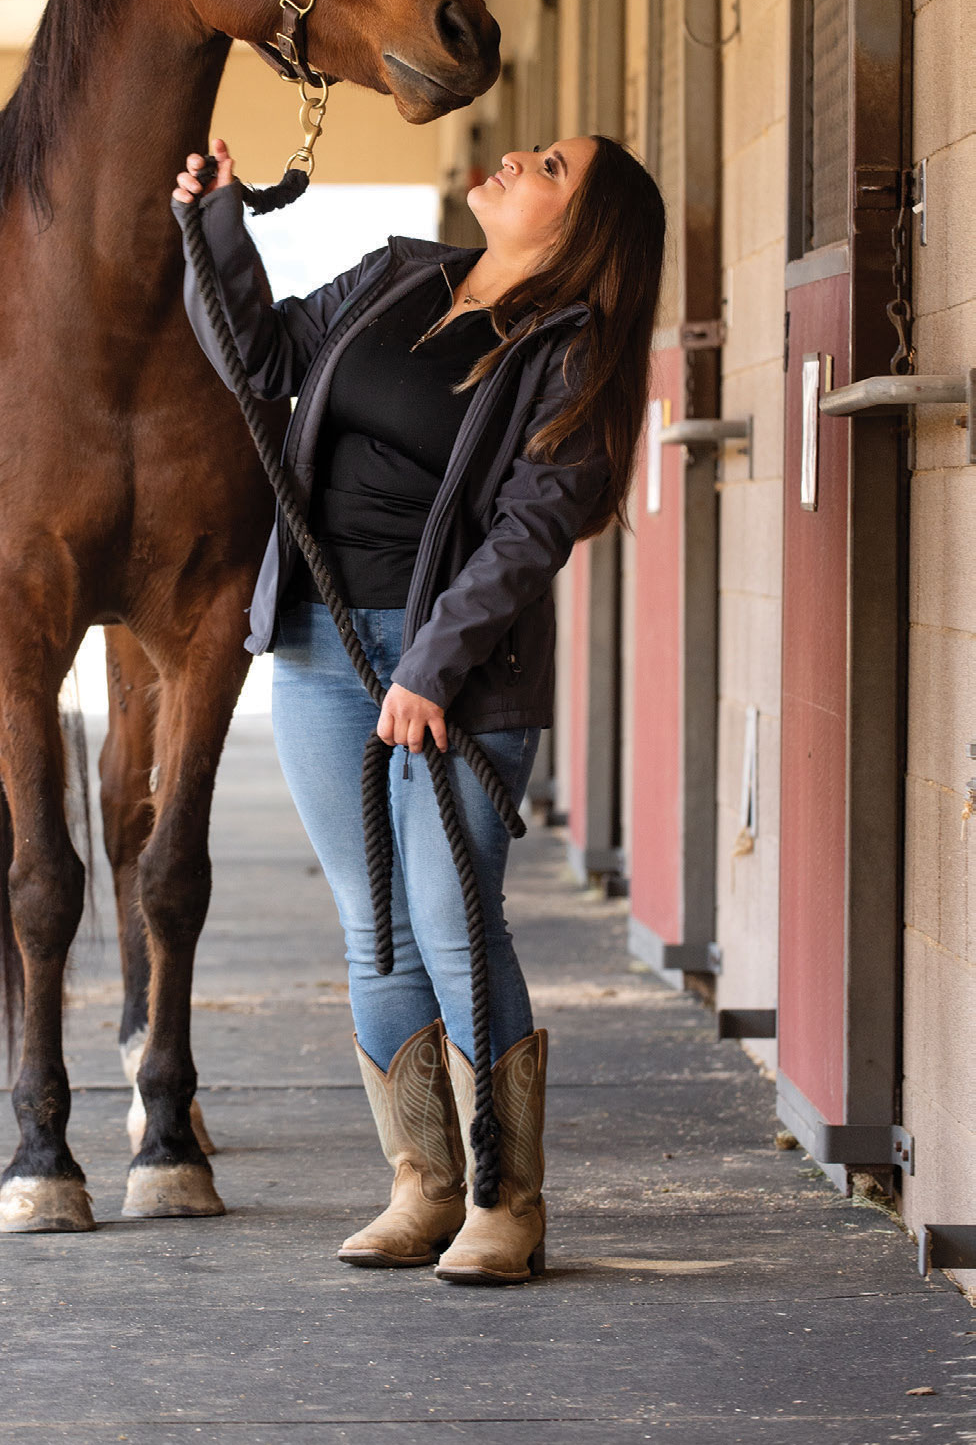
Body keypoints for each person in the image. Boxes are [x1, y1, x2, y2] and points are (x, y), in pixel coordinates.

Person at [172, 133, 665, 1283]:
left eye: (547, 165)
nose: (511, 155)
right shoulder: (397, 273)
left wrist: (431, 666)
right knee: (377, 925)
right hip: (317, 640)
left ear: (580, 226)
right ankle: (424, 1183)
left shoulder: (574, 355)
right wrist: (214, 228)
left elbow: (533, 527)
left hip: (457, 671)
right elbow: (259, 359)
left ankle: (506, 1196)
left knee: (452, 918)